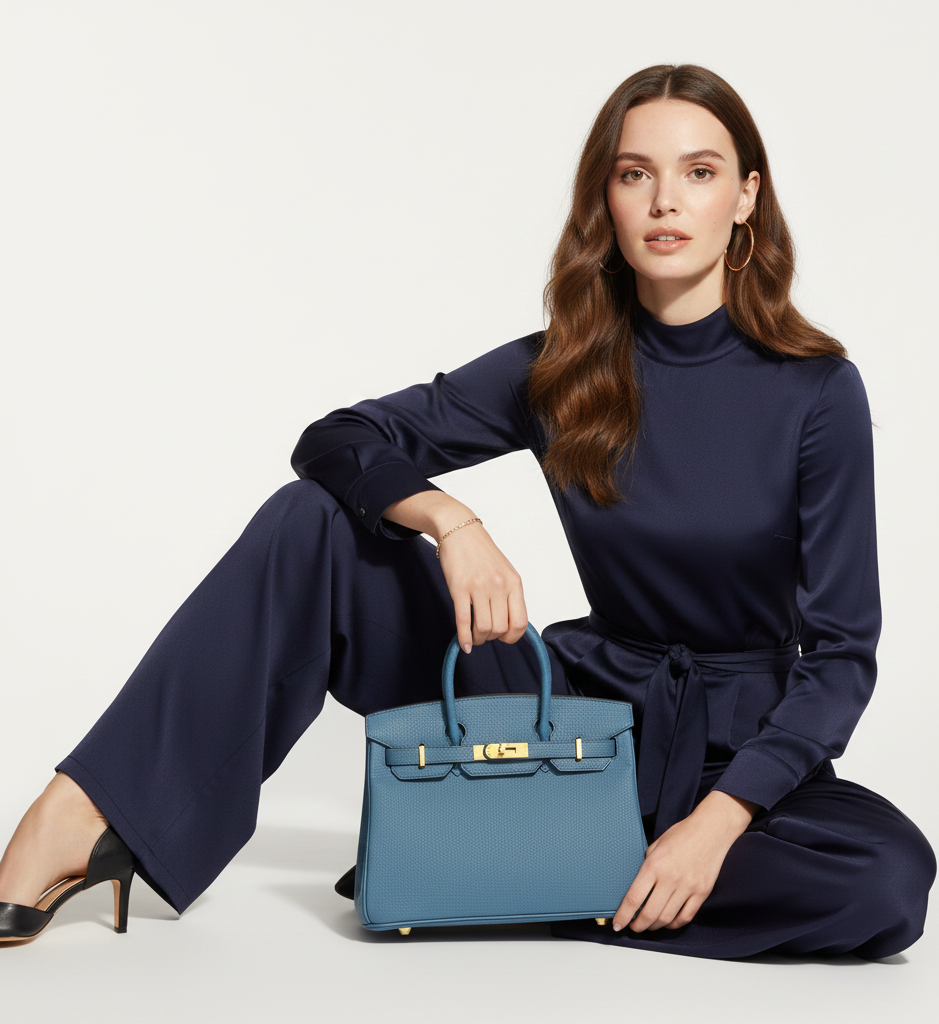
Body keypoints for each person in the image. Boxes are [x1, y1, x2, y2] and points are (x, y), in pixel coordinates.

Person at [0, 63, 934, 958]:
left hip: (735, 754)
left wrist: (720, 821)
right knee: (311, 521)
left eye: (697, 173)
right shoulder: (562, 367)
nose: (664, 202)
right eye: (634, 174)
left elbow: (841, 656)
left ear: (744, 198)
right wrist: (452, 522)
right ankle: (82, 815)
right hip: (563, 729)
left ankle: (489, 864)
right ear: (605, 200)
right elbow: (337, 438)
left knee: (885, 881)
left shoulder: (816, 391)